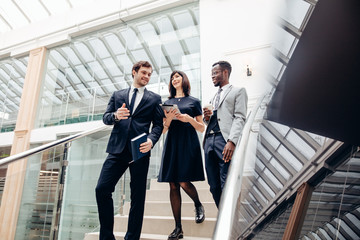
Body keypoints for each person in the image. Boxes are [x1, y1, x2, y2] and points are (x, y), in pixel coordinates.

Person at [95, 61, 164, 240]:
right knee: (102, 189)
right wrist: (116, 116)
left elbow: (158, 125)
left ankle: (131, 238)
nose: (147, 77)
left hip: (140, 150)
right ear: (134, 72)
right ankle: (107, 237)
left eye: (149, 74)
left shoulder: (155, 99)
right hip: (117, 150)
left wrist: (151, 140)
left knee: (137, 198)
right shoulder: (118, 95)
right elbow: (106, 118)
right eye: (143, 73)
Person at [158, 70, 206, 240]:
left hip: (188, 141)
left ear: (184, 79)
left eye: (177, 76)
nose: (174, 79)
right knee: (173, 184)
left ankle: (198, 204)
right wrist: (169, 118)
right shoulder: (167, 102)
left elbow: (201, 127)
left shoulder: (194, 101)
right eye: (172, 78)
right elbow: (164, 129)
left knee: (183, 181)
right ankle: (178, 228)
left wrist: (188, 119)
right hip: (172, 143)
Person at [203, 61, 248, 208]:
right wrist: (207, 118)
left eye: (215, 73)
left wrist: (232, 141)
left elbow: (240, 117)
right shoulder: (212, 98)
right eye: (212, 74)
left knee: (226, 183)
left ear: (225, 73)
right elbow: (209, 121)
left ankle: (229, 221)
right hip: (209, 141)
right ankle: (222, 215)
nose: (213, 76)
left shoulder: (238, 91)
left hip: (224, 141)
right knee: (213, 186)